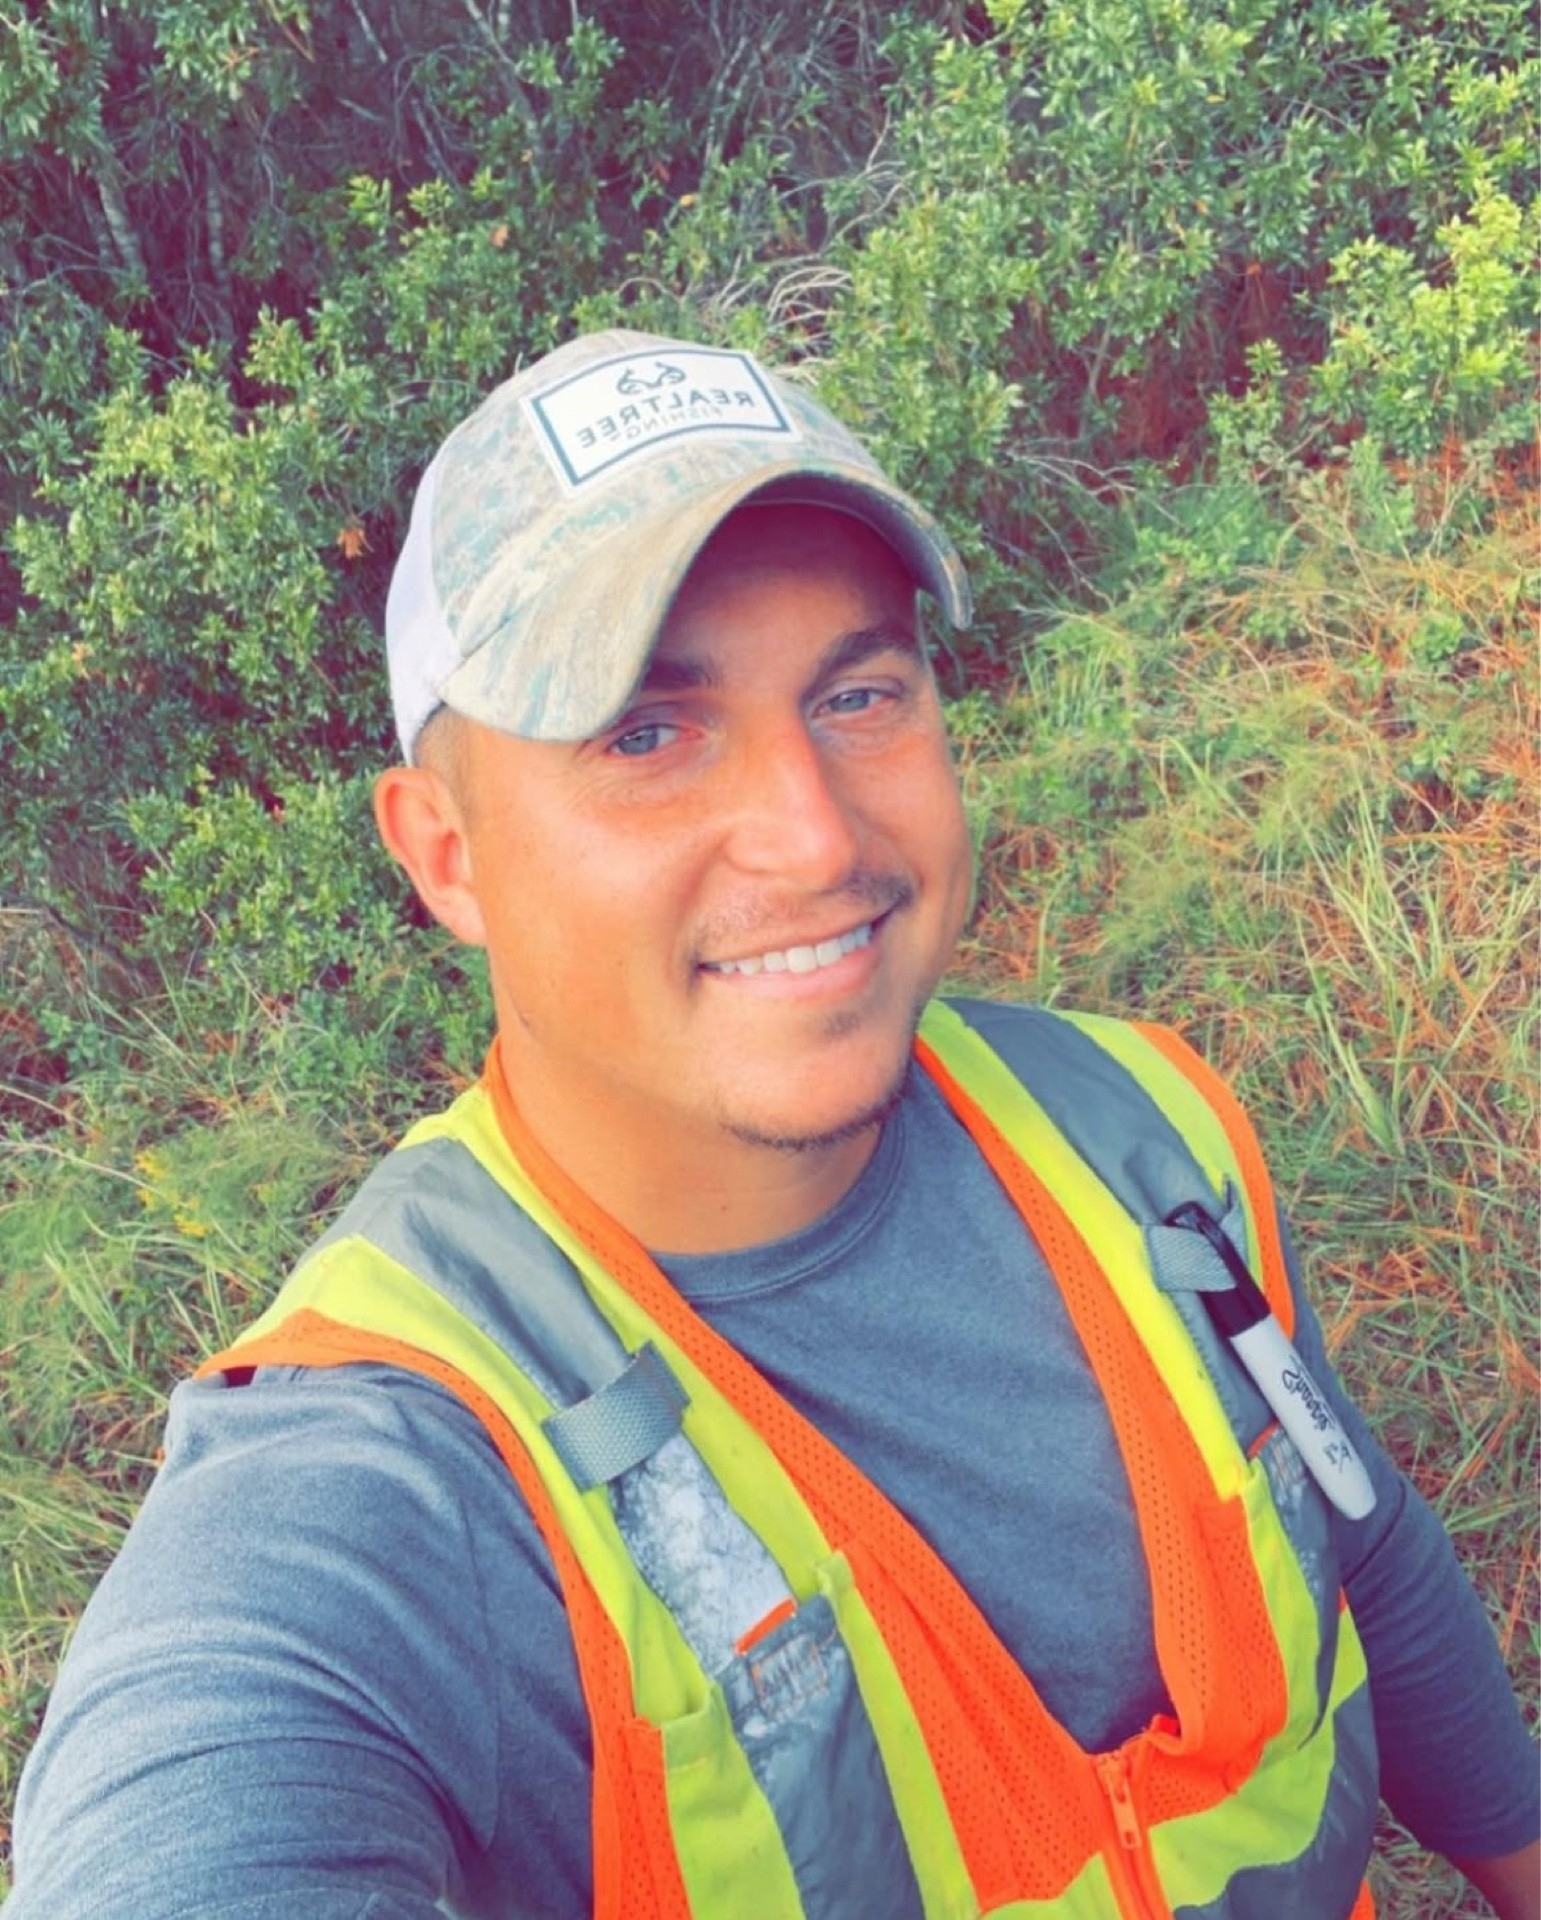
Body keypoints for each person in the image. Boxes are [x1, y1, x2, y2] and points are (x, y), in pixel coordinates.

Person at [6, 329, 1537, 1920]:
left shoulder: (1139, 1128)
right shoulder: (393, 1475)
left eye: (856, 693)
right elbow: (195, 1794)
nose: (812, 838)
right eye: (643, 734)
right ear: (446, 853)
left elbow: (1354, 1540)